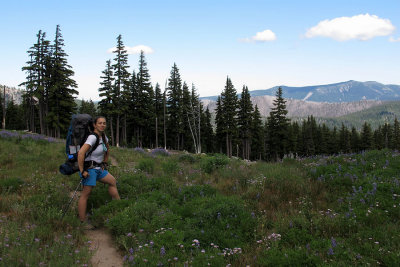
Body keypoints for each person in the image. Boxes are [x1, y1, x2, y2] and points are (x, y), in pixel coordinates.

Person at [77, 116, 120, 230]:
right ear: (95, 125)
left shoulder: (104, 137)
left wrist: (104, 162)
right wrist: (82, 171)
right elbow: (81, 153)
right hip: (89, 169)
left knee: (112, 181)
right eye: (100, 123)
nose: (102, 125)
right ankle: (82, 222)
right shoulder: (92, 137)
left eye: (104, 123)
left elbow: (107, 149)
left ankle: (118, 208)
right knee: (86, 194)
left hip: (99, 169)